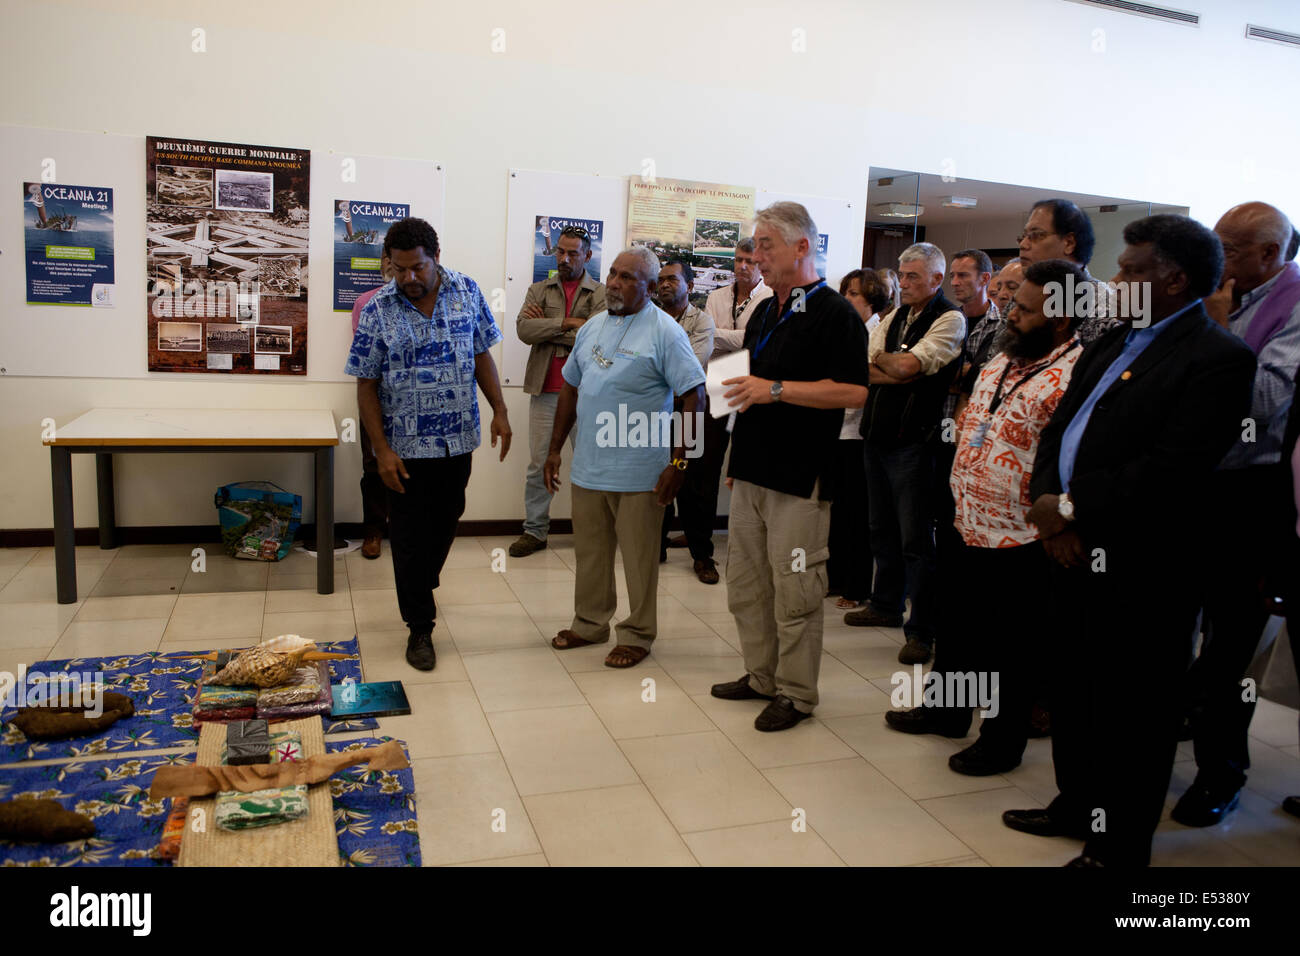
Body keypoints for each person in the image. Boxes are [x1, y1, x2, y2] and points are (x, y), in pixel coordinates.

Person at [1004, 214, 1256, 867]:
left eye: (1132, 269)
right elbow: (1061, 427)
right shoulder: (1112, 337)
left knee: (1132, 715)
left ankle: (1116, 850)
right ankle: (1075, 805)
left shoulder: (1219, 359)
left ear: (1172, 281)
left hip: (1144, 566)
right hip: (1068, 547)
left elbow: (1171, 468)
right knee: (1075, 691)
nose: (1117, 279)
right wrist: (1047, 506)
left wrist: (1066, 507)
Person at [885, 259, 1086, 776]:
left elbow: (1077, 459)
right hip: (966, 520)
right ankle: (947, 712)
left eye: (1023, 308)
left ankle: (1001, 741)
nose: (1010, 314)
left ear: (1061, 318)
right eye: (1013, 303)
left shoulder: (1077, 372)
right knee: (958, 628)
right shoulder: (1004, 356)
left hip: (1022, 537)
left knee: (1011, 647)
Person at [710, 202, 870, 731]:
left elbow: (852, 390)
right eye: (755, 246)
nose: (756, 256)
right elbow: (744, 388)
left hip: (803, 477)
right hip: (753, 469)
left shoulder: (835, 314)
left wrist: (776, 390)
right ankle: (761, 676)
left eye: (766, 246)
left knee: (796, 589)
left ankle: (797, 694)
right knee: (747, 585)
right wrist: (734, 456)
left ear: (802, 247)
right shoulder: (763, 311)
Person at [1175, 201, 1300, 827]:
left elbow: (1265, 404)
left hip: (1249, 498)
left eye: (1227, 247)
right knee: (1174, 626)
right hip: (1187, 489)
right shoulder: (1218, 293)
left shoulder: (1295, 305)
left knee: (1229, 651)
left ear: (1270, 255)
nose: (1215, 258)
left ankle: (1221, 772)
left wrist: (1217, 335)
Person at [344, 217, 513, 671]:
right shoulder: (379, 309)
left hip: (457, 437)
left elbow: (481, 354)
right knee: (408, 535)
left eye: (416, 268)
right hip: (402, 447)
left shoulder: (468, 291)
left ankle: (420, 581)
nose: (407, 279)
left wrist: (500, 408)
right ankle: (420, 627)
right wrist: (380, 450)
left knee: (448, 516)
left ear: (434, 258)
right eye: (397, 269)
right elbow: (366, 383)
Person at [544, 248, 705, 668]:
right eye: (613, 274)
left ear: (650, 288)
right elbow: (570, 390)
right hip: (590, 466)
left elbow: (693, 395)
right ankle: (590, 623)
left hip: (642, 472)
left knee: (639, 560)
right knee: (591, 554)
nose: (615, 283)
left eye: (628, 277)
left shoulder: (665, 331)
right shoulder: (591, 328)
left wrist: (680, 463)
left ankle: (636, 632)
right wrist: (554, 450)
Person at [845, 243, 966, 667]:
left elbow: (909, 368)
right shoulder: (895, 316)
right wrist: (890, 365)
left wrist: (891, 366)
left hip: (914, 442)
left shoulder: (950, 319)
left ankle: (921, 631)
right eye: (903, 275)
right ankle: (885, 604)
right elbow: (866, 367)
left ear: (936, 279)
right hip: (877, 437)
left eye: (914, 276)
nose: (905, 283)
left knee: (916, 540)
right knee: (881, 529)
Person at [669, 238, 772, 558]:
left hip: (753, 384)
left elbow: (754, 342)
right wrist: (738, 338)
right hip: (716, 382)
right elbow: (711, 339)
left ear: (760, 264)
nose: (743, 266)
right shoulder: (717, 295)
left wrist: (730, 336)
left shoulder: (769, 298)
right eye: (739, 259)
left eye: (750, 261)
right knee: (703, 463)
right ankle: (695, 531)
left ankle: (746, 538)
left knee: (746, 462)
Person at [511, 225, 606, 557]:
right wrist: (568, 323)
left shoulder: (602, 294)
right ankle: (535, 532)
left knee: (589, 464)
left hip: (587, 393)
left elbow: (598, 337)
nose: (564, 258)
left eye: (573, 253)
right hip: (545, 390)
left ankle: (591, 533)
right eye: (560, 252)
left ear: (588, 256)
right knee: (539, 464)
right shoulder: (538, 290)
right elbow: (524, 330)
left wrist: (548, 328)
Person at [828, 269, 891, 610]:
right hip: (837, 431)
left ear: (872, 300)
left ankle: (856, 586)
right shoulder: (847, 329)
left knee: (856, 516)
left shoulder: (878, 332)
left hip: (859, 433)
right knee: (837, 512)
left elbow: (862, 380)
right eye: (846, 292)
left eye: (854, 294)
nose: (847, 299)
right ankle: (837, 578)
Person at [654, 259, 717, 580]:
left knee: (696, 485)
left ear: (690, 286)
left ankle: (702, 555)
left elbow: (688, 367)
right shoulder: (645, 318)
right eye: (661, 279)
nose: (665, 284)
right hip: (654, 412)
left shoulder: (702, 321)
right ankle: (656, 548)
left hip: (690, 410)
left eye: (673, 280)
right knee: (656, 477)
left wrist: (654, 371)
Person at [1017, 199, 1117, 345]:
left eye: (1036, 235)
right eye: (1023, 236)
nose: (1023, 244)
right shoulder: (1022, 296)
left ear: (1069, 243)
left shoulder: (1103, 309)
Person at [350, 257, 396, 559]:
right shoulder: (365, 303)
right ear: (383, 267)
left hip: (413, 403)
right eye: (391, 264)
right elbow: (364, 358)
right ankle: (374, 531)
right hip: (375, 397)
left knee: (416, 468)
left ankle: (408, 530)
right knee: (373, 466)